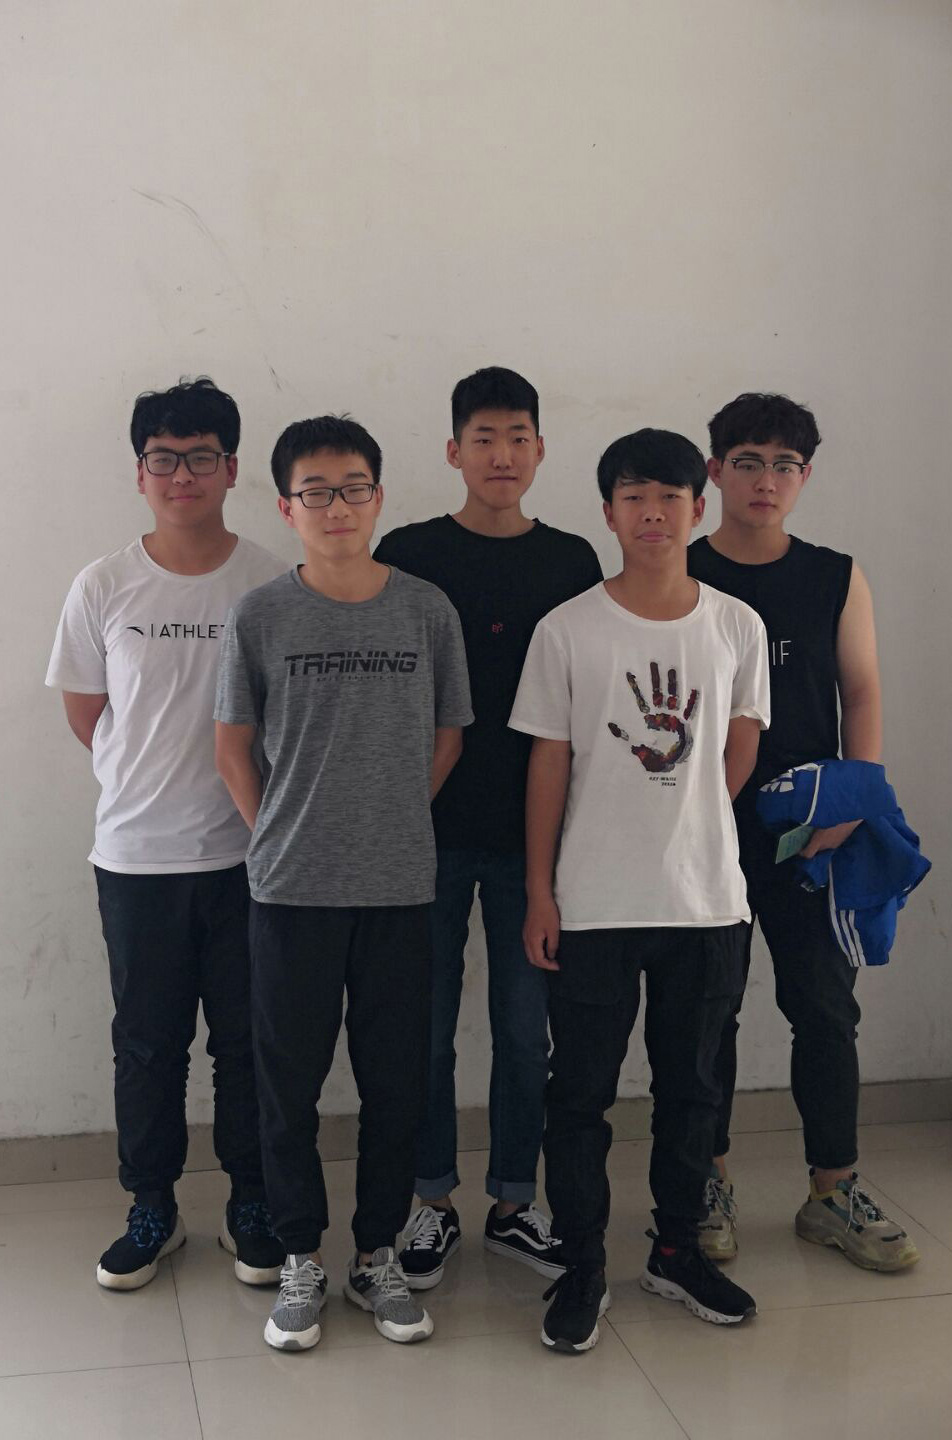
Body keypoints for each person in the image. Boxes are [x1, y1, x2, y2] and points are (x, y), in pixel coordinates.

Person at [214, 415, 473, 1352]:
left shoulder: (426, 609)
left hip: (400, 887)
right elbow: (232, 745)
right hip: (289, 892)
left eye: (353, 487)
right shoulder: (260, 615)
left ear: (378, 497)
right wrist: (278, 834)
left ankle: (375, 1254)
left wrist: (392, 813)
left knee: (395, 1081)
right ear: (287, 507)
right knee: (286, 1084)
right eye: (315, 491)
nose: (337, 506)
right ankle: (300, 1257)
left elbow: (449, 735)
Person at [510, 428, 770, 1352]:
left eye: (669, 496)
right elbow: (548, 765)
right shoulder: (567, 628)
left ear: (698, 508)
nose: (652, 513)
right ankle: (582, 1262)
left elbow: (738, 749)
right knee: (578, 1095)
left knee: (694, 1090)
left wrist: (685, 822)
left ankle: (675, 1249)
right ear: (609, 512)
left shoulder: (736, 625)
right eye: (633, 497)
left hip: (706, 902)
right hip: (593, 903)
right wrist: (540, 892)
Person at [46, 377, 287, 1291]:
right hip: (137, 858)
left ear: (231, 468)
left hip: (248, 855)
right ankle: (151, 1205)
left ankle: (250, 1203)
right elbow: (89, 715)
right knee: (147, 1045)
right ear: (140, 471)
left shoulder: (271, 581)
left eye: (200, 457)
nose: (181, 475)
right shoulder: (103, 584)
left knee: (247, 1044)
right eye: (163, 459)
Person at [375, 367, 601, 1289]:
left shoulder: (573, 560)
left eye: (517, 438)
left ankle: (514, 1201)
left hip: (535, 839)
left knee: (523, 1027)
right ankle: (431, 1201)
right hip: (422, 828)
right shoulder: (408, 552)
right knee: (423, 1029)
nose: (501, 455)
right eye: (483, 438)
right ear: (453, 450)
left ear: (540, 449)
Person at [688, 392, 919, 1271]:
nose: (767, 480)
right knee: (706, 1010)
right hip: (703, 828)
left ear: (805, 476)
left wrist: (852, 803)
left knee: (824, 1007)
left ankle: (833, 1190)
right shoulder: (680, 569)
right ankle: (707, 1181)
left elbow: (860, 690)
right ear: (716, 472)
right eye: (748, 461)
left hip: (811, 829)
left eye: (785, 465)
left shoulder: (835, 575)